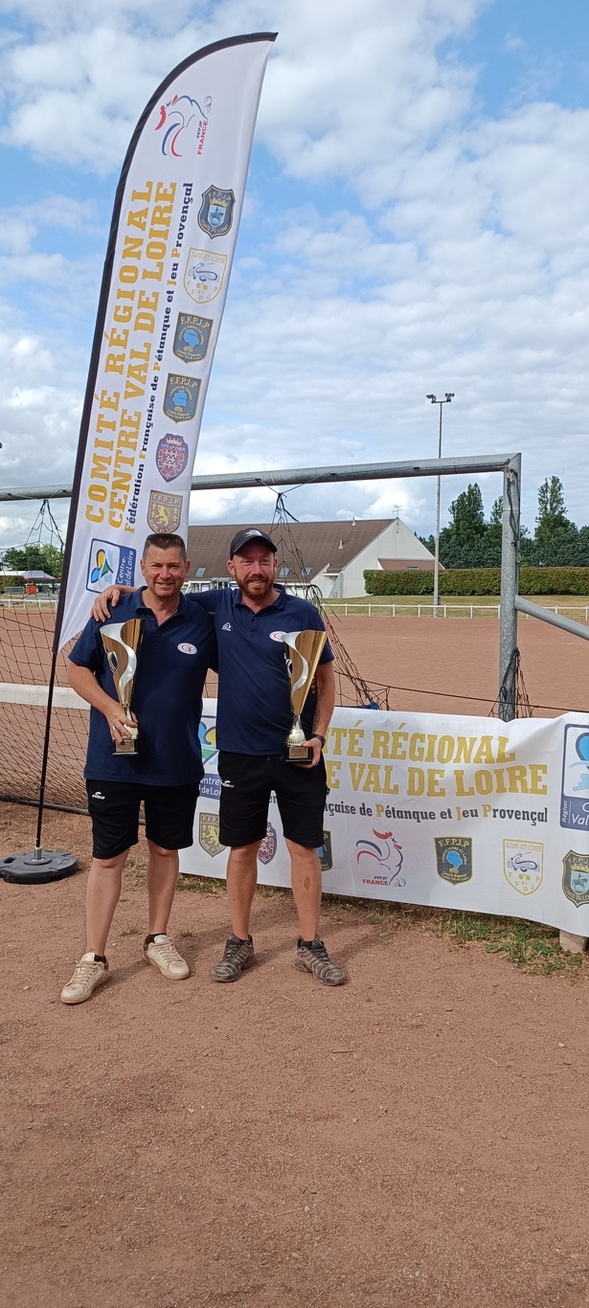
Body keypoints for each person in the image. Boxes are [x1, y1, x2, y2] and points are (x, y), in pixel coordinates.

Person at [94, 527, 346, 987]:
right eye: (245, 560)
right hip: (238, 752)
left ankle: (310, 946)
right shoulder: (215, 605)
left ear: (275, 566)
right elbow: (163, 591)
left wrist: (319, 734)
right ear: (231, 568)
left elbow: (327, 681)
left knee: (303, 849)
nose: (256, 568)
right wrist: (123, 589)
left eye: (263, 560)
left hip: (298, 753)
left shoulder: (303, 611)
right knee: (241, 849)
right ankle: (239, 941)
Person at [61, 532, 216, 1005]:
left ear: (186, 568)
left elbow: (248, 594)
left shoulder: (204, 619)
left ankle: (157, 938)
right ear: (142, 569)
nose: (165, 574)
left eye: (173, 566)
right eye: (156, 566)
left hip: (176, 761)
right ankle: (93, 958)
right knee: (108, 857)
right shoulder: (112, 612)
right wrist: (111, 709)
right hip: (113, 763)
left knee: (165, 852)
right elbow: (76, 669)